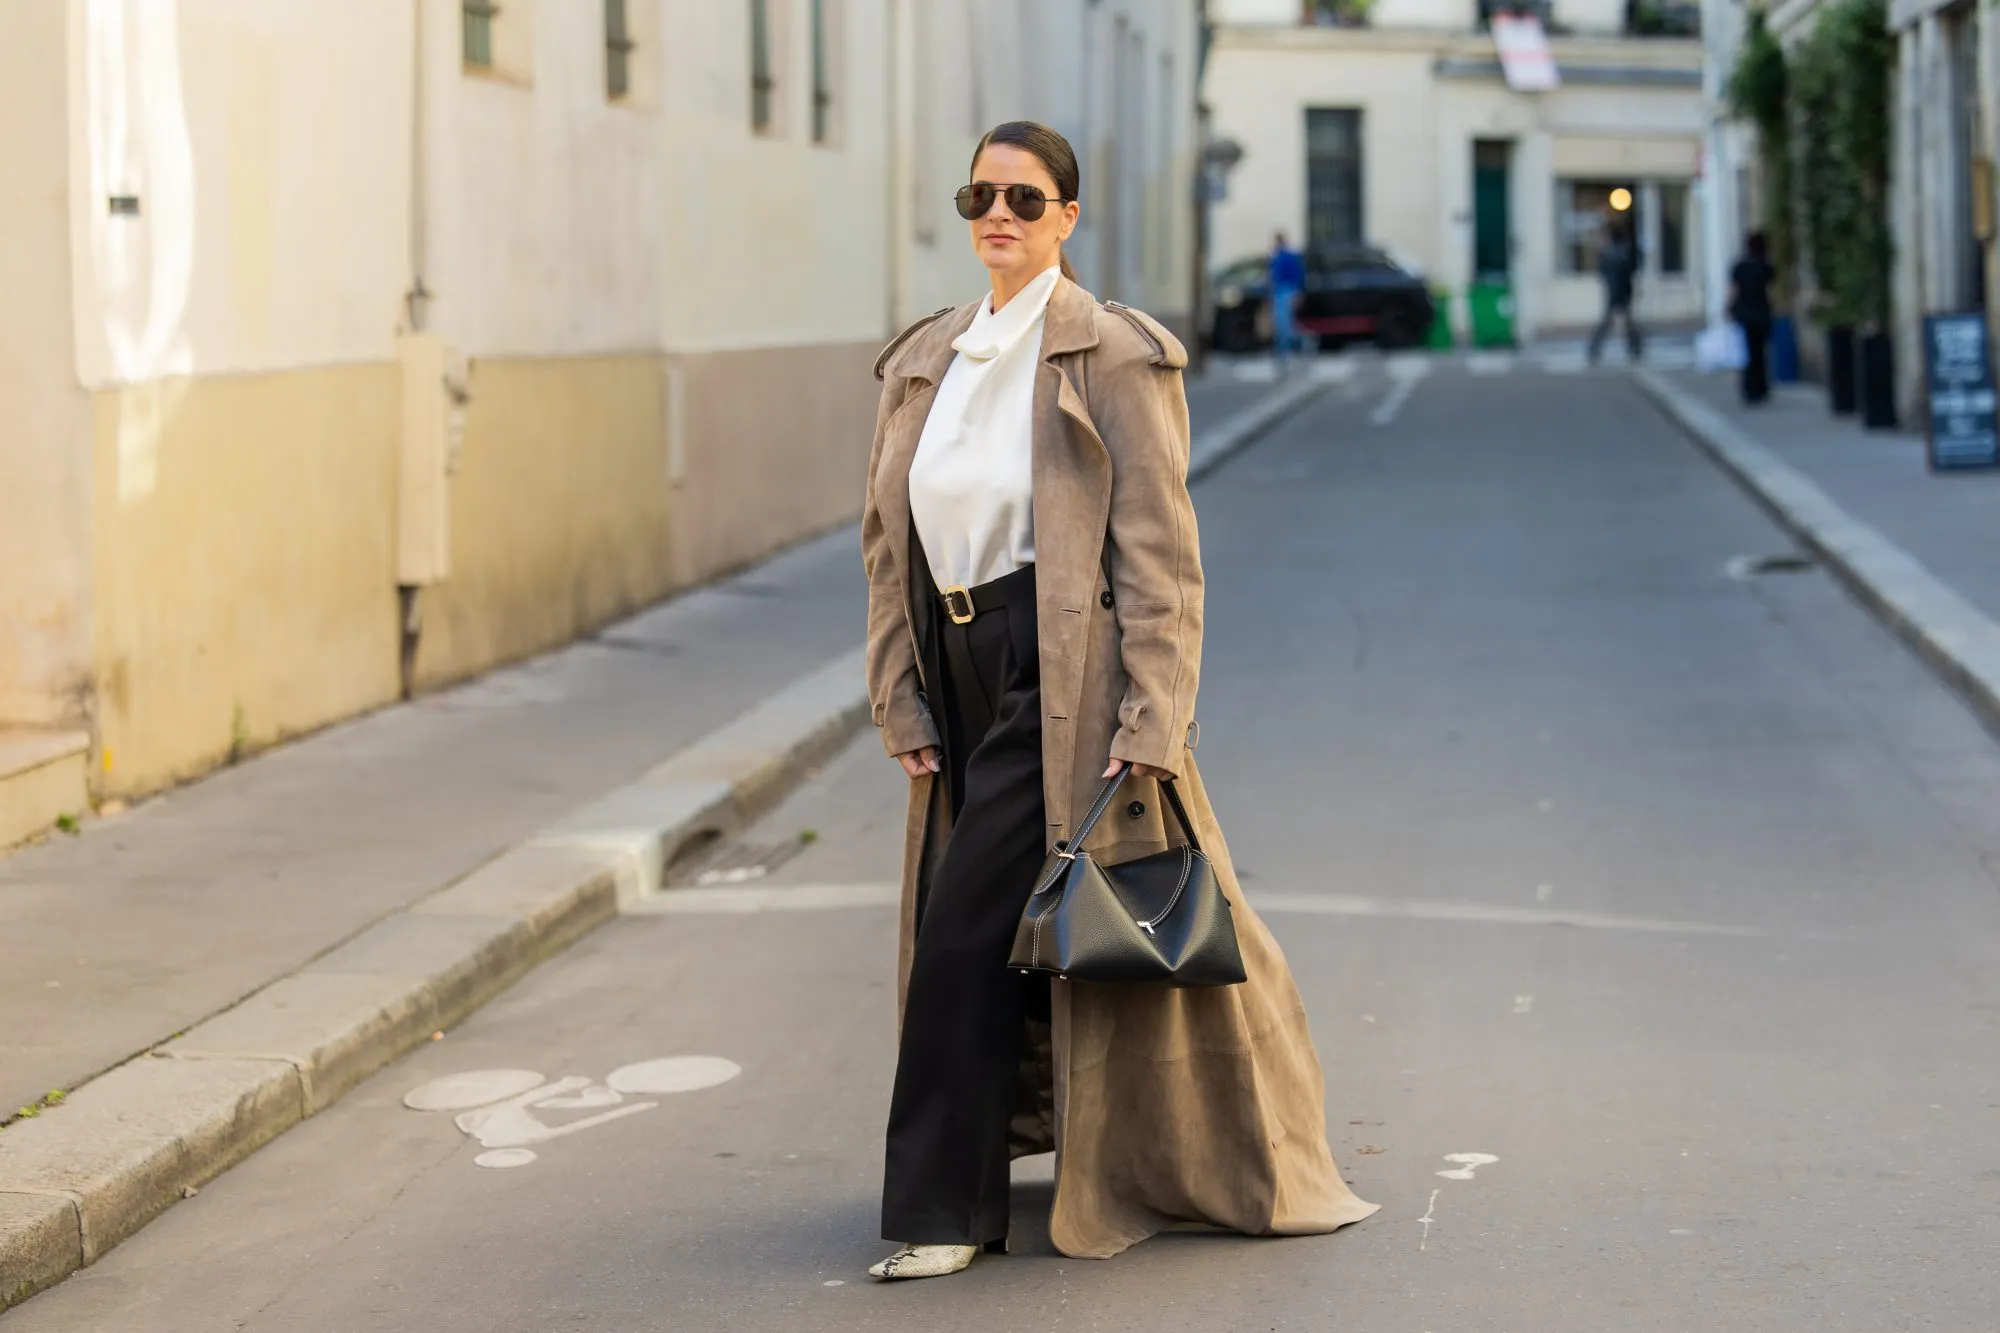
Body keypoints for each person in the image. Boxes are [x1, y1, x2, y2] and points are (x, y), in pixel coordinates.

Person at [861, 121, 1378, 1281]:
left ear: (1066, 219)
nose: (999, 213)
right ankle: (985, 1176)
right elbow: (882, 539)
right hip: (954, 661)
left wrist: (1154, 716)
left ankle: (945, 1210)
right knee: (981, 928)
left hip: (1058, 670)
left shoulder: (1109, 355)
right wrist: (895, 689)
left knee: (959, 935)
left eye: (1025, 198)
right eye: (980, 194)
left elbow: (1158, 554)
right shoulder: (926, 359)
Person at [1729, 231, 1776, 404]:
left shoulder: (1739, 267)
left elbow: (1734, 290)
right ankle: (1761, 388)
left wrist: (1728, 308)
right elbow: (1771, 292)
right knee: (1760, 352)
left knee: (1747, 352)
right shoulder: (1765, 267)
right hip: (1761, 313)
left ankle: (1749, 388)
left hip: (1744, 313)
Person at [1587, 219, 1643, 365]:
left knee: (1614, 323)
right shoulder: (1620, 253)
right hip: (1621, 291)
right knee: (1622, 322)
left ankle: (1595, 349)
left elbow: (1604, 271)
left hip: (1617, 292)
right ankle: (1634, 348)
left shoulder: (1611, 254)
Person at [1268, 230, 1307, 367]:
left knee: (1285, 324)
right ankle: (1283, 351)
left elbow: (1297, 276)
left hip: (1286, 291)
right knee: (1282, 323)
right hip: (1282, 292)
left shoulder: (1286, 257)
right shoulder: (1278, 257)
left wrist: (1297, 293)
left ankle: (1295, 345)